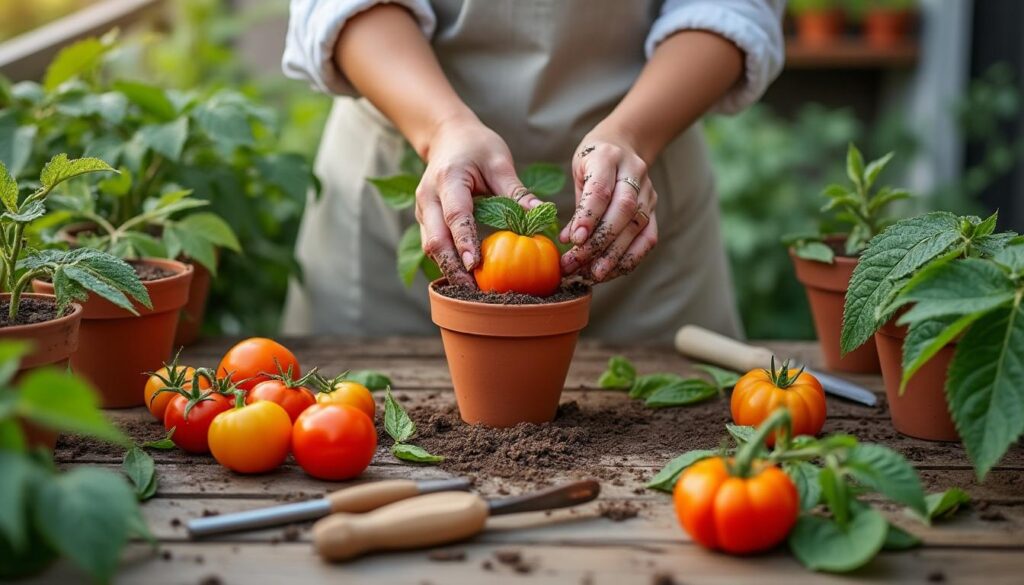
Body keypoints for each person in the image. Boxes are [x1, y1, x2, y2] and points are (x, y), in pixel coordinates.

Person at [282, 0, 785, 343]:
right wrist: (440, 127)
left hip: (637, 193)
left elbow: (730, 7)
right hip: (405, 163)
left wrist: (633, 134)